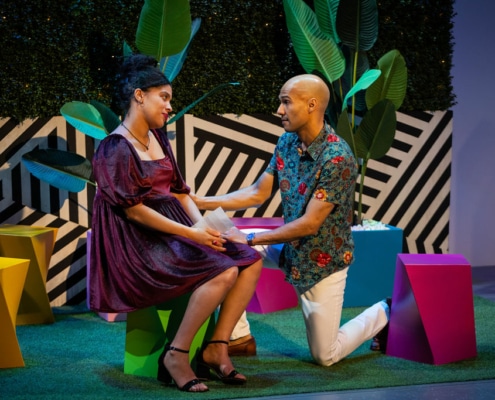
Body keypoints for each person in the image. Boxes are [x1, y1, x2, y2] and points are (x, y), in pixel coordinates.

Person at [89, 53, 263, 392]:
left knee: (250, 260)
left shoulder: (158, 138)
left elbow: (182, 193)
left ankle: (217, 347)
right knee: (224, 270)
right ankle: (176, 354)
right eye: (164, 97)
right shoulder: (115, 147)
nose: (170, 106)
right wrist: (191, 233)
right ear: (139, 96)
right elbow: (134, 211)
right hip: (139, 244)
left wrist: (209, 229)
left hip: (176, 233)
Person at [191, 74, 391, 367]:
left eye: (285, 102)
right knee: (221, 246)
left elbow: (310, 225)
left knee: (325, 355)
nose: (279, 110)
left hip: (321, 262)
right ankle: (238, 338)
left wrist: (248, 239)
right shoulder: (287, 142)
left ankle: (385, 311)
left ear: (311, 105)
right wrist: (201, 202)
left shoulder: (338, 157)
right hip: (289, 248)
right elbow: (257, 192)